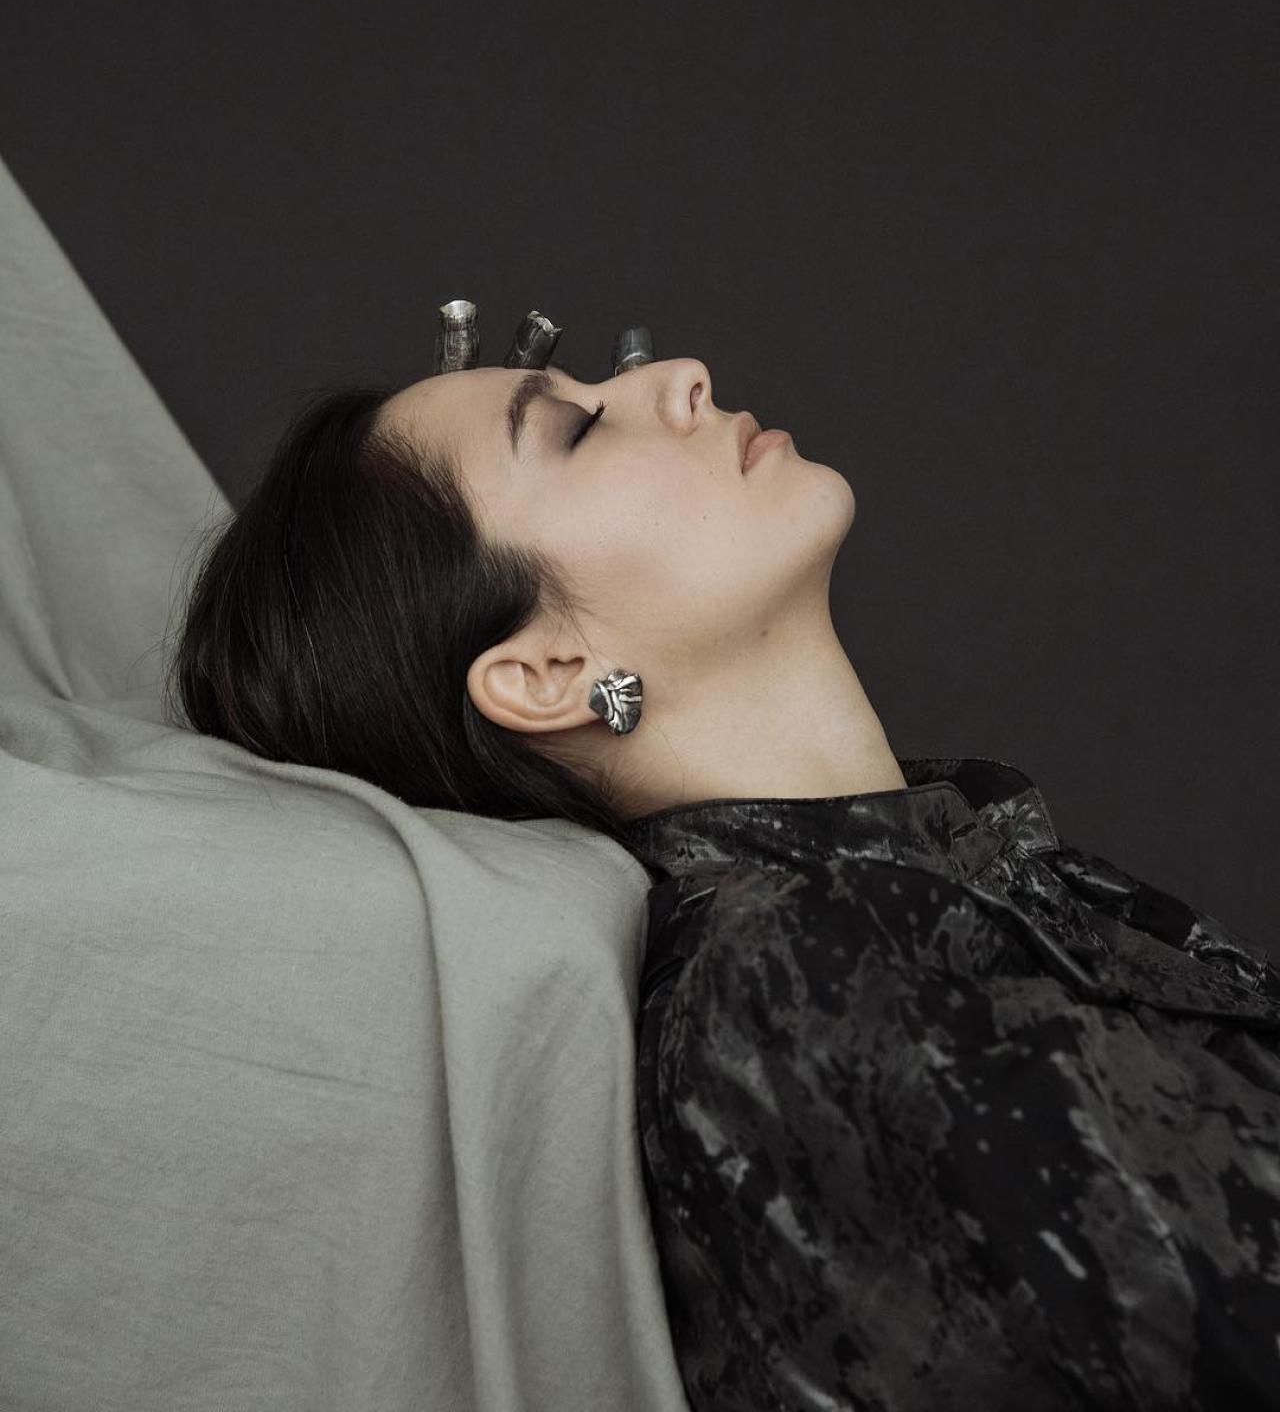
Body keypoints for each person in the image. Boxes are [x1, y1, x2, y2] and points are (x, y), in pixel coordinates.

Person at [166, 313, 1280, 1410]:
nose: (684, 376)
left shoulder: (936, 877)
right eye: (576, 430)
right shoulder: (786, 989)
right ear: (549, 673)